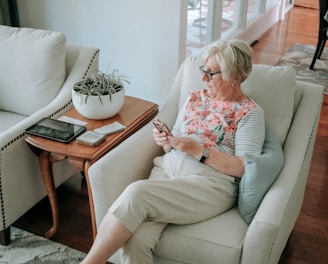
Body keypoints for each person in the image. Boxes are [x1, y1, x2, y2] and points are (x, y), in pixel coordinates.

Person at [81, 39, 265, 264]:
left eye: (211, 73)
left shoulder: (250, 113)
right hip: (167, 170)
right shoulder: (195, 97)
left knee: (137, 193)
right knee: (135, 240)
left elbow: (243, 168)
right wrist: (166, 140)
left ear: (234, 76)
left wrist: (199, 151)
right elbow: (174, 141)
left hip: (209, 184)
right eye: (202, 70)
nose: (203, 78)